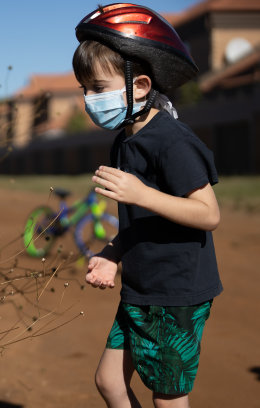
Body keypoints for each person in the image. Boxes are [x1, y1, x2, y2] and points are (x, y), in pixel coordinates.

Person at [71, 4, 223, 408]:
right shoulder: (124, 140)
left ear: (139, 85)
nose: (89, 99)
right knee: (109, 381)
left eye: (98, 88)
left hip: (175, 292)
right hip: (141, 285)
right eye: (84, 89)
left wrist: (141, 193)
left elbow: (208, 214)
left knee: (168, 398)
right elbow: (143, 221)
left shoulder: (173, 141)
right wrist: (111, 253)